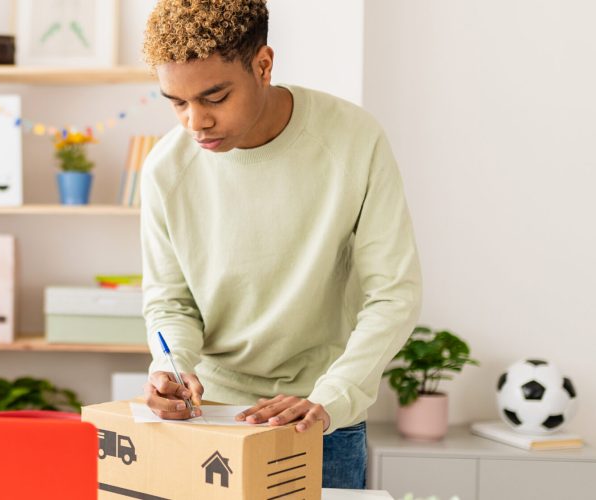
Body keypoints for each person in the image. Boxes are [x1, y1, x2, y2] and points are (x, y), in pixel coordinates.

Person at [139, 0, 422, 489]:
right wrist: (171, 366)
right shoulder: (166, 168)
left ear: (263, 65)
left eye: (214, 97)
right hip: (213, 417)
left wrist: (330, 398)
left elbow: (393, 293)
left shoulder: (353, 139)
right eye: (177, 102)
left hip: (320, 419)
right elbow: (171, 301)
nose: (194, 122)